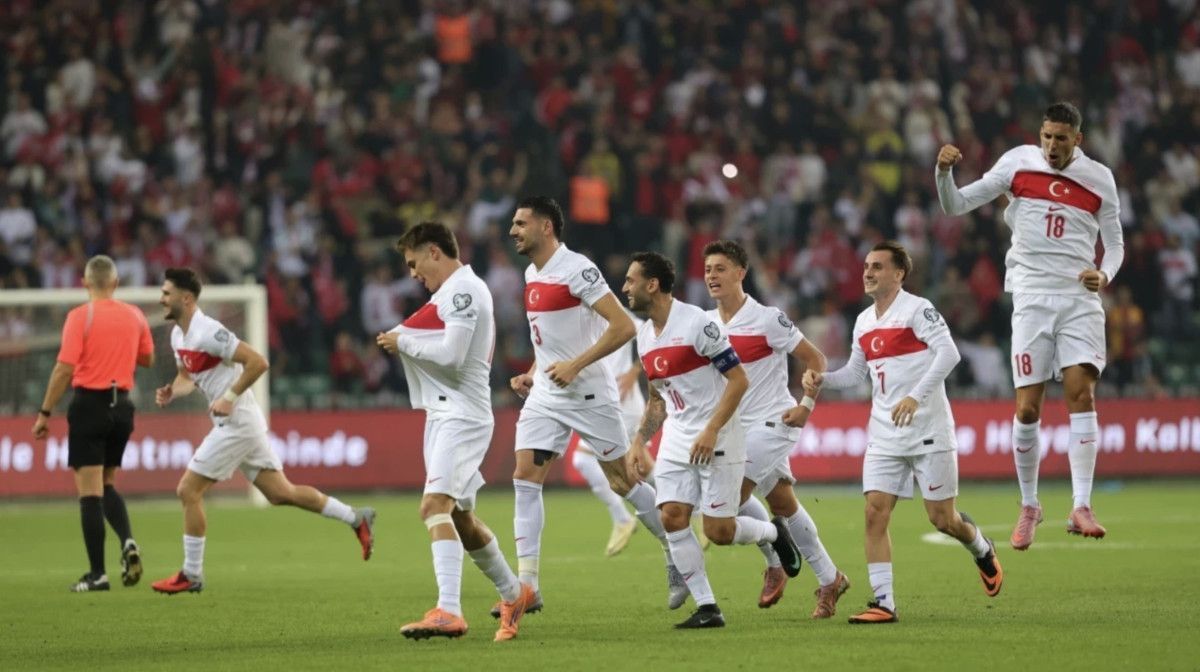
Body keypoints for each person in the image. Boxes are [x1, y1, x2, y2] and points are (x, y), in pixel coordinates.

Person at [935, 102, 1124, 549]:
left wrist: (1105, 274)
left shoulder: (1099, 178)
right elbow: (955, 205)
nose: (1052, 146)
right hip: (1031, 298)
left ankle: (1081, 505)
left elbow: (1115, 244)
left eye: (1061, 138)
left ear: (1078, 139)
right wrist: (943, 173)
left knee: (1081, 394)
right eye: (1047, 136)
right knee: (1027, 410)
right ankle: (1029, 505)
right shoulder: (1017, 163)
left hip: (1078, 299)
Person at [804, 242, 1003, 624]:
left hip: (928, 427)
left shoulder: (918, 309)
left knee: (943, 519)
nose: (868, 272)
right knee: (874, 513)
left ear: (899, 274)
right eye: (866, 265)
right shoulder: (864, 321)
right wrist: (823, 379)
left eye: (878, 266)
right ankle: (884, 603)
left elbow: (949, 353)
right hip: (884, 433)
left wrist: (915, 396)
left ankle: (981, 548)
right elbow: (857, 373)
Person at [149, 267, 375, 595]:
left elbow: (257, 362)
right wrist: (173, 390)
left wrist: (228, 398)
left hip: (237, 424)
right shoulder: (177, 336)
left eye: (166, 293)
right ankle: (356, 518)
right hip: (240, 424)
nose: (161, 298)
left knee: (188, 490)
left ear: (185, 299)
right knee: (281, 493)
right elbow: (187, 376)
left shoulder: (209, 331)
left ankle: (191, 574)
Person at [505, 196, 673, 612]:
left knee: (623, 481)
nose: (513, 230)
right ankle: (528, 588)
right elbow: (550, 338)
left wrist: (575, 366)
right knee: (525, 477)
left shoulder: (577, 269)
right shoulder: (531, 272)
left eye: (521, 223)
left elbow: (623, 327)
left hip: (589, 392)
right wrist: (534, 370)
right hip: (547, 393)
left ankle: (676, 549)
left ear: (546, 227)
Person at [623, 251, 801, 629]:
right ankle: (708, 607)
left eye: (630, 281)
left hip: (719, 434)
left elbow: (739, 380)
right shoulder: (644, 336)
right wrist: (639, 441)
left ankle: (772, 532)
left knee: (718, 532)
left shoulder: (697, 325)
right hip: (677, 436)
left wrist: (711, 429)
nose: (625, 288)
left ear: (652, 285)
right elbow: (658, 398)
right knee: (671, 516)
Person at [377, 222, 535, 642]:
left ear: (434, 251)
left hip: (462, 417)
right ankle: (514, 594)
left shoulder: (464, 291)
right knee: (461, 518)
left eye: (414, 263)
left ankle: (448, 610)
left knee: (433, 506)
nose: (413, 273)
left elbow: (452, 354)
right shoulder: (450, 293)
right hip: (445, 413)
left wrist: (402, 342)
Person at [703, 240, 850, 617]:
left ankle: (773, 558)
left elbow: (816, 358)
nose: (712, 276)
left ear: (740, 273)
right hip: (736, 429)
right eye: (707, 270)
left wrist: (806, 406)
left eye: (720, 269)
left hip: (774, 422)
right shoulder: (705, 323)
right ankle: (831, 579)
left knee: (729, 499)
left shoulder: (767, 318)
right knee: (783, 503)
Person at [32, 255, 154, 592]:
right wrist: (120, 347)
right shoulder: (135, 315)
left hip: (90, 405)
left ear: (85, 283)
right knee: (107, 482)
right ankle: (127, 540)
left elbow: (64, 368)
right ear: (115, 283)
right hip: (123, 407)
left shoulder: (79, 317)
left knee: (89, 493)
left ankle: (98, 574)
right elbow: (148, 358)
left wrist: (45, 413)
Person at [571, 319, 646, 557]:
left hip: (622, 400)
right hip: (604, 399)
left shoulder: (617, 313)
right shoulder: (582, 317)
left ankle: (623, 518)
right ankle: (694, 510)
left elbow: (656, 333)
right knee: (643, 464)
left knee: (583, 459)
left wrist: (635, 371)